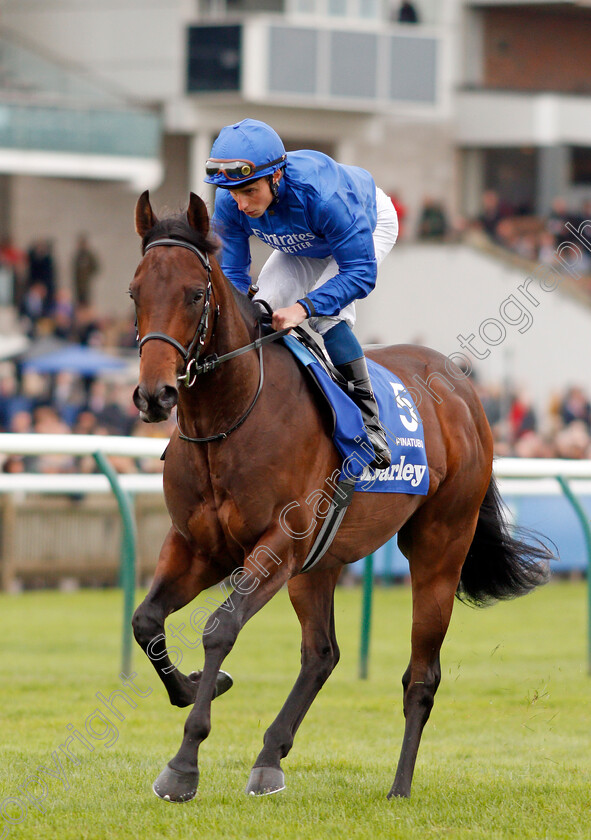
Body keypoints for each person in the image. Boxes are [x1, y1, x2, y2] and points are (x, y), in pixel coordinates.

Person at [204, 118, 399, 468]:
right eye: (235, 193)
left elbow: (360, 273)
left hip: (366, 225)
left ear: (276, 176)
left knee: (326, 315)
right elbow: (232, 273)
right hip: (305, 239)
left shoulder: (324, 195)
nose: (243, 204)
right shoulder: (229, 201)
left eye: (250, 192)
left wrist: (303, 307)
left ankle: (369, 420)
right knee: (259, 309)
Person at [72, 234, 100, 306]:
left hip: (86, 283)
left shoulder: (89, 255)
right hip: (77, 283)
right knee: (79, 301)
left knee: (87, 300)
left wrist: (88, 275)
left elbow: (96, 267)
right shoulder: (77, 256)